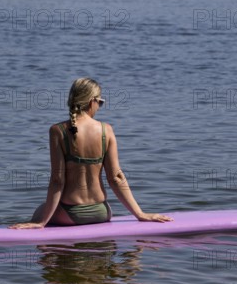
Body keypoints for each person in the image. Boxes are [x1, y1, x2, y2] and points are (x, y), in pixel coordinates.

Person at [9, 77, 173, 229]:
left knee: (40, 211)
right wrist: (140, 214)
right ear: (91, 101)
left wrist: (41, 221)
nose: (99, 107)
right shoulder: (106, 130)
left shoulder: (57, 131)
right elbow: (116, 177)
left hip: (71, 212)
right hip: (102, 211)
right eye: (100, 103)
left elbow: (57, 180)